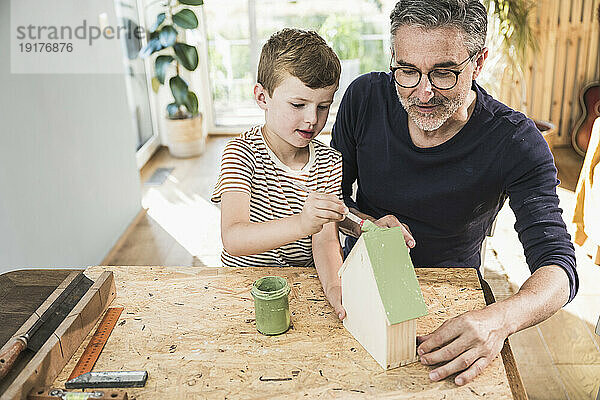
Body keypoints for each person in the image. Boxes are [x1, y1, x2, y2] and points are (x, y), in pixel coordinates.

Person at [331, 0, 578, 386]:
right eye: (407, 71)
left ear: (478, 62)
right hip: (363, 282)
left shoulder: (515, 141)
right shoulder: (364, 99)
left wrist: (500, 319)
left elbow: (559, 268)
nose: (423, 93)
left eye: (444, 73)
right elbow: (332, 202)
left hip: (452, 296)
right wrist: (367, 225)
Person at [211, 28, 348, 319]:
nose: (312, 119)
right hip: (244, 292)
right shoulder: (240, 152)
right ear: (263, 97)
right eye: (298, 105)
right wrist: (303, 223)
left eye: (323, 106)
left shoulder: (329, 161)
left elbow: (324, 241)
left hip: (303, 290)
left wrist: (335, 287)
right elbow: (233, 238)